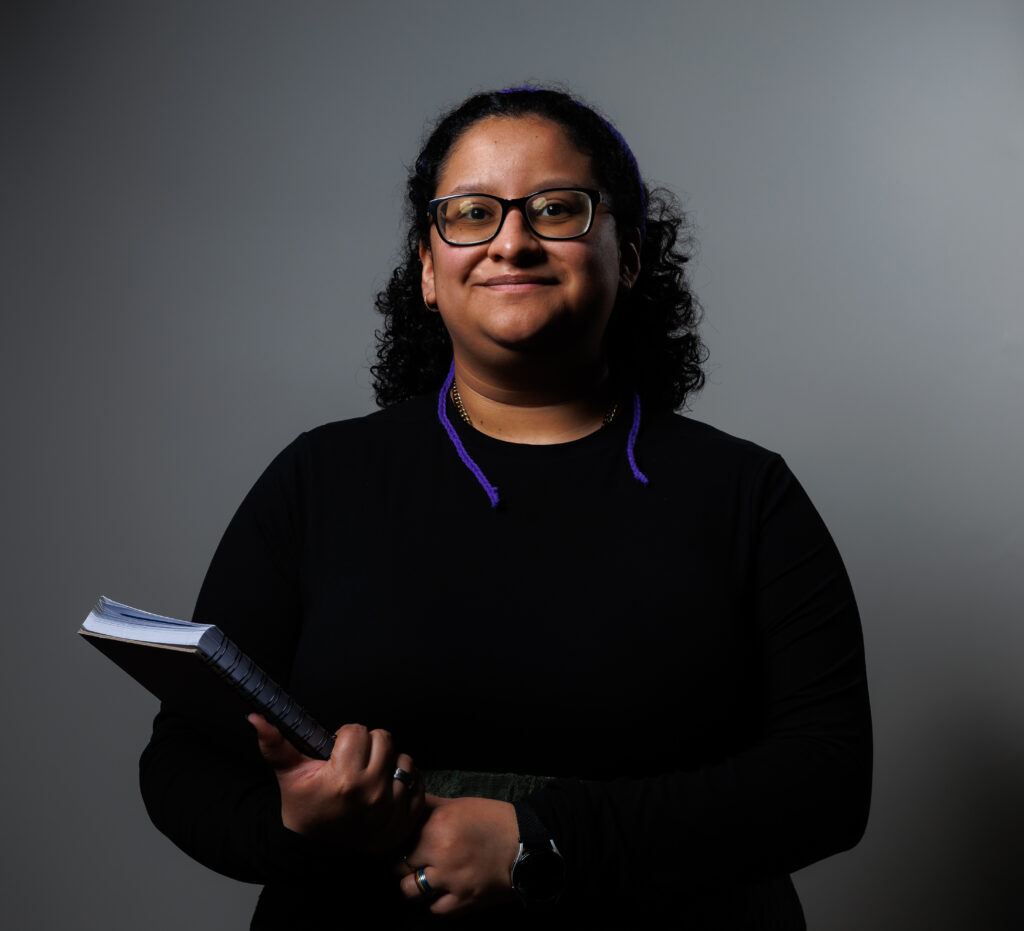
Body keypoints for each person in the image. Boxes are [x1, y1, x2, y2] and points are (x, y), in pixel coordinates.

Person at [140, 86, 871, 929]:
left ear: (629, 256)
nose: (512, 241)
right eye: (472, 213)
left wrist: (542, 840)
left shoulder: (749, 495)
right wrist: (298, 828)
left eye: (557, 208)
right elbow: (183, 761)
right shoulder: (318, 479)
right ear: (426, 267)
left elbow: (828, 782)